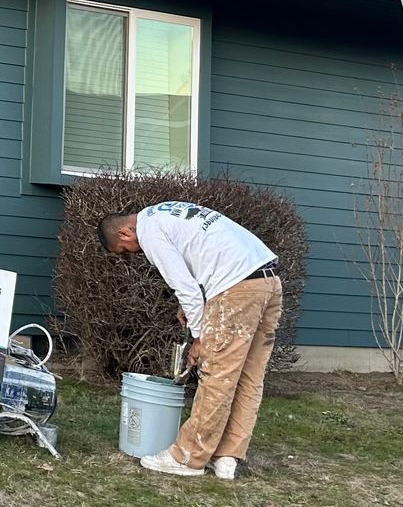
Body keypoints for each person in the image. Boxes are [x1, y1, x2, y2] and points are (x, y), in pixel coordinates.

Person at [99, 202, 282, 481]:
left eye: (124, 251)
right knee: (248, 376)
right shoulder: (163, 212)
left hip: (238, 288)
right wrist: (197, 305)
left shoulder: (150, 233)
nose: (132, 256)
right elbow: (204, 255)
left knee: (217, 375)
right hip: (267, 280)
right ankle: (226, 458)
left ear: (124, 233)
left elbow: (185, 287)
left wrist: (199, 338)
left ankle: (188, 458)